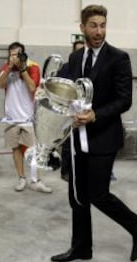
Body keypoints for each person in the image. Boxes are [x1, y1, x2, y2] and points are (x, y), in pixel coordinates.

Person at [51, 5, 137, 262]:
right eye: (93, 25)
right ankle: (81, 248)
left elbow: (124, 100)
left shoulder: (119, 58)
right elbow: (62, 88)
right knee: (77, 197)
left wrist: (96, 114)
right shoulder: (74, 59)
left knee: (98, 194)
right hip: (76, 139)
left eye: (103, 25)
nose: (99, 31)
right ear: (82, 27)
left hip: (103, 138)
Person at [0, 42, 52, 193]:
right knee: (15, 149)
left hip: (27, 117)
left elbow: (32, 87)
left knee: (32, 150)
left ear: (23, 54)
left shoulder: (32, 66)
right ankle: (21, 178)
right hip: (11, 117)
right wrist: (9, 68)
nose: (14, 57)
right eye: (11, 54)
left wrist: (22, 69)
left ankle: (36, 180)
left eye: (17, 54)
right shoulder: (5, 67)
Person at [57, 37, 85, 182]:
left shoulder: (89, 66)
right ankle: (65, 171)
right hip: (69, 110)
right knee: (68, 142)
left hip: (85, 110)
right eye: (78, 50)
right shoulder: (67, 67)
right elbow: (59, 86)